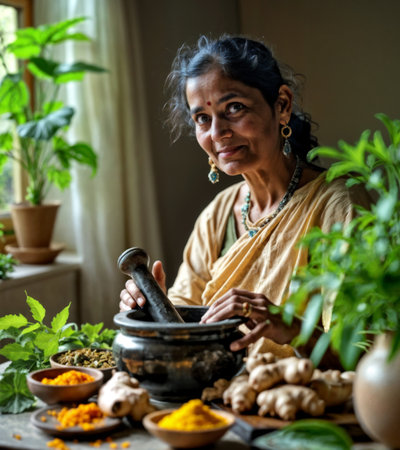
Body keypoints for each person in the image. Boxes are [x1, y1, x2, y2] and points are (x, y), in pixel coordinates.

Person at [119, 35, 371, 358]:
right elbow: (184, 326)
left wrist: (290, 328)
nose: (217, 133)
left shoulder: (337, 205)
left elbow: (365, 353)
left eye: (234, 108)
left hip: (302, 399)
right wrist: (150, 303)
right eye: (202, 119)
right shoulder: (219, 214)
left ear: (282, 105)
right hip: (219, 396)